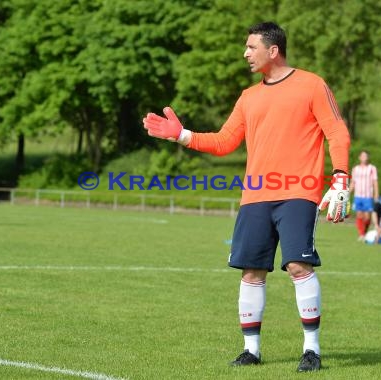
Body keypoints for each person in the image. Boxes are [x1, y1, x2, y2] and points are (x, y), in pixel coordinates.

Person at [143, 22, 351, 372]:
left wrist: (341, 177)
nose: (245, 53)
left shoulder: (312, 85)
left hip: (299, 191)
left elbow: (337, 131)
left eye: (251, 47)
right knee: (251, 272)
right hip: (255, 196)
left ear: (273, 51)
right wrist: (182, 135)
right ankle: (251, 351)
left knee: (299, 265)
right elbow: (225, 142)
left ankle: (311, 350)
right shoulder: (248, 96)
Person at [349, 151, 379, 241]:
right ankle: (361, 234)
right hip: (358, 195)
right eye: (362, 156)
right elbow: (353, 182)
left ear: (368, 157)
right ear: (359, 157)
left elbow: (375, 182)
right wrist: (347, 193)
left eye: (366, 156)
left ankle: (364, 232)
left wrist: (376, 194)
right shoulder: (355, 169)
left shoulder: (372, 168)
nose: (364, 157)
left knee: (367, 216)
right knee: (359, 214)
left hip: (368, 195)